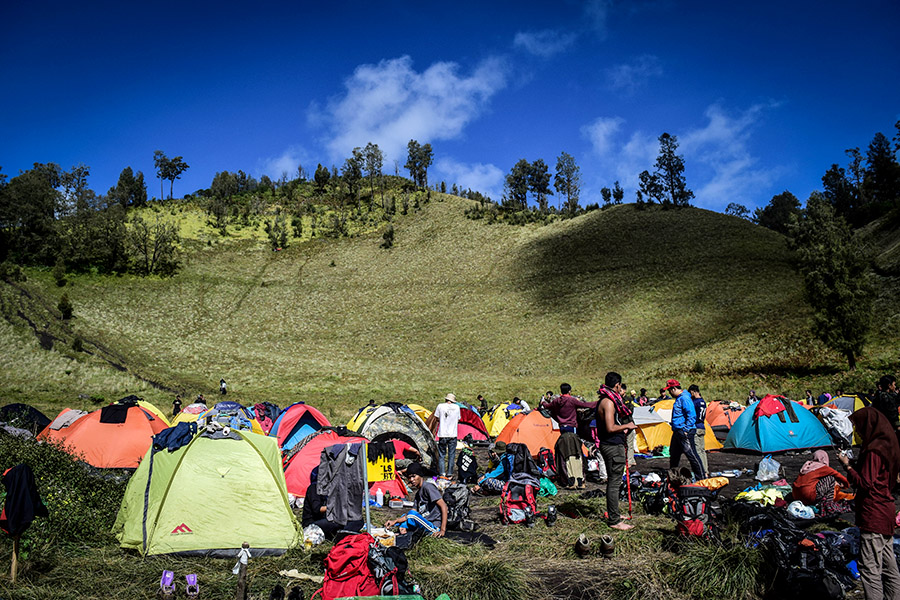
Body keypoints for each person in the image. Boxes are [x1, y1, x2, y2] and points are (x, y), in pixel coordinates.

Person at [838, 407, 900, 600]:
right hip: (886, 511)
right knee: (890, 567)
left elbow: (866, 483)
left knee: (870, 568)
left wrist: (847, 466)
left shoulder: (874, 451)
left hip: (873, 513)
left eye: (858, 426)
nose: (856, 431)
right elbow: (877, 475)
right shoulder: (887, 445)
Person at [595, 372, 637, 530]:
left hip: (609, 444)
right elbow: (610, 427)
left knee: (614, 482)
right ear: (617, 385)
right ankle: (614, 521)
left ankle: (614, 513)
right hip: (612, 446)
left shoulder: (604, 400)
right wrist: (627, 426)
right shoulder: (609, 403)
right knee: (614, 483)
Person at [385, 463, 447, 537]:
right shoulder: (418, 494)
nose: (412, 480)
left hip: (433, 526)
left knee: (411, 515)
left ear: (420, 475)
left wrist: (442, 530)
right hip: (424, 522)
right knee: (405, 516)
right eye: (409, 477)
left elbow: (444, 506)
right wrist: (394, 521)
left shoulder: (428, 487)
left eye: (414, 476)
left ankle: (406, 529)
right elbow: (411, 513)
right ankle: (396, 528)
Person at [302, 467, 364, 539]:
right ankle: (341, 535)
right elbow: (318, 509)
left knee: (358, 520)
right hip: (313, 524)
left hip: (328, 519)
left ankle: (345, 532)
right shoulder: (313, 488)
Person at [664, 379, 705, 480]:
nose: (669, 392)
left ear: (674, 389)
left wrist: (686, 429)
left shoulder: (684, 398)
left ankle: (701, 478)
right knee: (674, 455)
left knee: (692, 455)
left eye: (669, 390)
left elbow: (692, 415)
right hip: (677, 430)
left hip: (684, 431)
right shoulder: (679, 399)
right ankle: (673, 477)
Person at [791, 450, 853, 517]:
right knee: (830, 479)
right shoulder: (821, 467)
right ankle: (828, 505)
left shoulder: (807, 466)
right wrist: (846, 485)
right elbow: (837, 475)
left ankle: (819, 503)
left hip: (796, 496)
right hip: (808, 496)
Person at [433, 393, 460, 478]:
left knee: (442, 455)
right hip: (453, 434)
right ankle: (449, 473)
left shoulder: (440, 406)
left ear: (446, 400)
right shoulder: (457, 407)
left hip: (443, 434)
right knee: (451, 455)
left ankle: (442, 473)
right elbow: (458, 419)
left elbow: (436, 418)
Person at [688, 385, 708, 477]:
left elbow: (692, 415)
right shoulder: (703, 402)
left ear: (693, 391)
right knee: (702, 450)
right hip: (702, 426)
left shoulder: (694, 402)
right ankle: (706, 470)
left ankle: (701, 470)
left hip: (696, 427)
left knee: (697, 451)